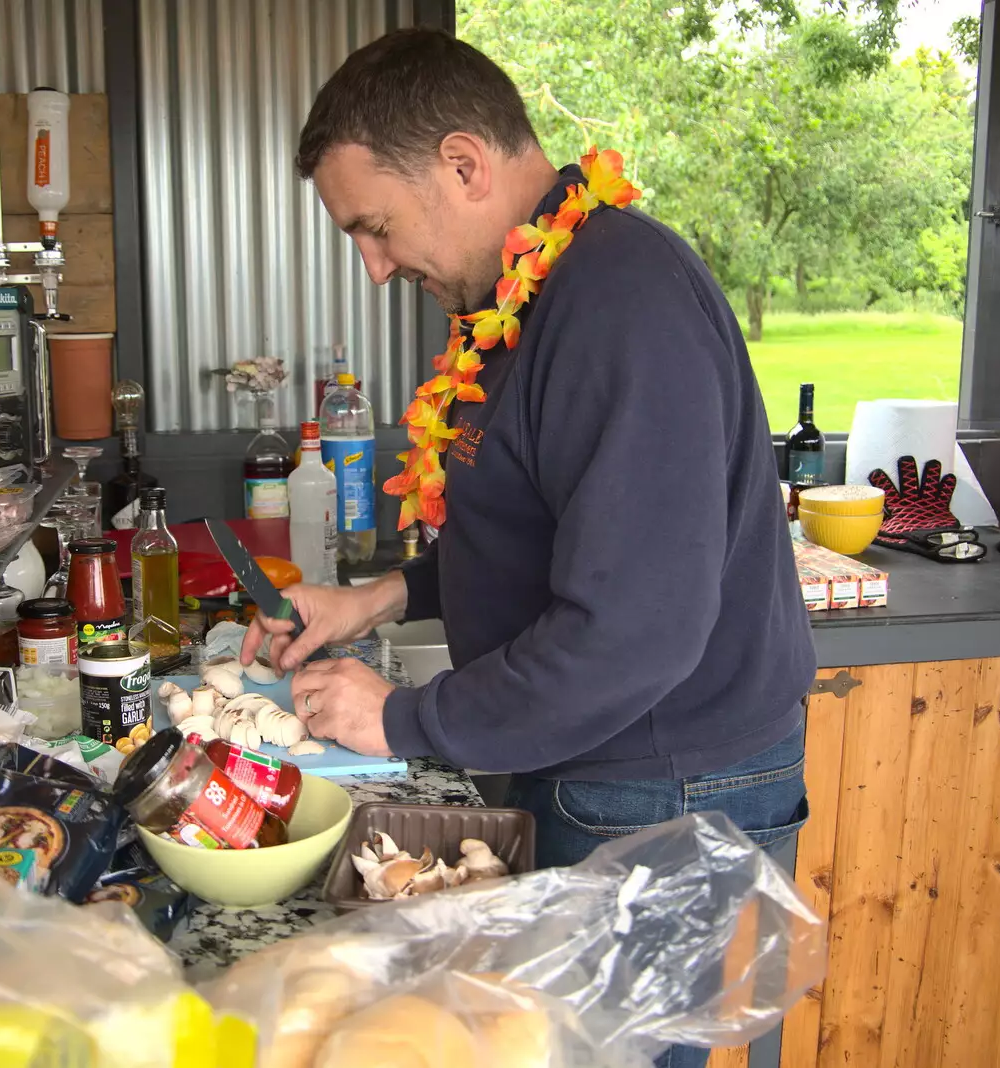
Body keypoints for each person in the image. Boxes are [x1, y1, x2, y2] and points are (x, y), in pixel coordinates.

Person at [241, 31, 814, 1061]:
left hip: (656, 782)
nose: (374, 270)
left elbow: (632, 633)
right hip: (586, 757)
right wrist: (377, 600)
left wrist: (403, 718)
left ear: (463, 165)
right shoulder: (526, 300)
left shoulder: (617, 300)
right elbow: (551, 530)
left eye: (373, 229)